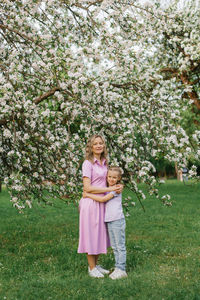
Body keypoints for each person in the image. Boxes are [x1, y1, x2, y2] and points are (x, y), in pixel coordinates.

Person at [78, 135, 123, 278]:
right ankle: (91, 268)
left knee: (98, 234)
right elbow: (87, 188)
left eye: (101, 143)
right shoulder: (87, 163)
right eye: (95, 144)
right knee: (91, 234)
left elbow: (111, 179)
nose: (98, 146)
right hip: (91, 203)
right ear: (91, 147)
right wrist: (110, 190)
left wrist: (117, 186)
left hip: (102, 202)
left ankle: (96, 265)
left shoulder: (104, 162)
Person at [83, 166, 127, 280]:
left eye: (114, 177)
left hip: (117, 220)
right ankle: (118, 267)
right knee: (115, 246)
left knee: (120, 245)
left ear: (119, 178)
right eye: (109, 177)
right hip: (110, 221)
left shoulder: (116, 189)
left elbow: (103, 200)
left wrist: (87, 195)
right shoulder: (110, 187)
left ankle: (121, 269)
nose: (111, 179)